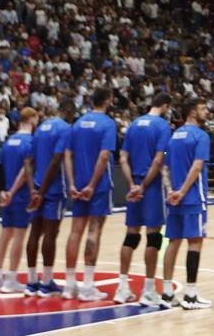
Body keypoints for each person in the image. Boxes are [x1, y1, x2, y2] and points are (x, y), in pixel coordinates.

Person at [117, 91, 172, 307]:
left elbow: (123, 158)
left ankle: (122, 288)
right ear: (165, 106)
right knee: (153, 237)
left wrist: (132, 185)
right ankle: (148, 290)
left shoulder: (133, 125)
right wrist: (143, 186)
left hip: (134, 186)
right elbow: (159, 161)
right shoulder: (162, 127)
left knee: (131, 236)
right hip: (151, 187)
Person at [64, 87, 117, 301]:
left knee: (75, 231)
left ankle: (69, 285)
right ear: (107, 100)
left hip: (77, 184)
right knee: (94, 231)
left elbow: (68, 154)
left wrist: (72, 183)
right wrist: (93, 185)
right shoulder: (108, 124)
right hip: (98, 185)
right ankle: (87, 286)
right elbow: (104, 156)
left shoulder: (77, 124)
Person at [162, 97, 212, 310]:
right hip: (192, 198)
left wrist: (170, 190)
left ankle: (166, 293)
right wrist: (182, 192)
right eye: (203, 108)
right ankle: (190, 295)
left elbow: (164, 167)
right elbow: (197, 166)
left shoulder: (173, 137)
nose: (206, 112)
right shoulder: (201, 136)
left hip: (174, 198)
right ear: (193, 112)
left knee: (173, 241)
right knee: (195, 242)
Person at [25, 99, 73, 296]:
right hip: (53, 189)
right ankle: (46, 283)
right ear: (69, 111)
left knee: (35, 232)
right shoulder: (65, 129)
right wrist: (42, 192)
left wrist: (33, 191)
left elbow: (28, 161)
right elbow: (55, 161)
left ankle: (31, 281)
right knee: (50, 233)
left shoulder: (41, 127)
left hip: (36, 186)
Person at [0, 106, 38, 294]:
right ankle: (11, 279)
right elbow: (25, 172)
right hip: (20, 196)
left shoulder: (8, 142)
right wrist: (11, 191)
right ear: (32, 119)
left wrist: (2, 190)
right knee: (18, 237)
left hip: (6, 196)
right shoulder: (31, 142)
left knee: (4, 235)